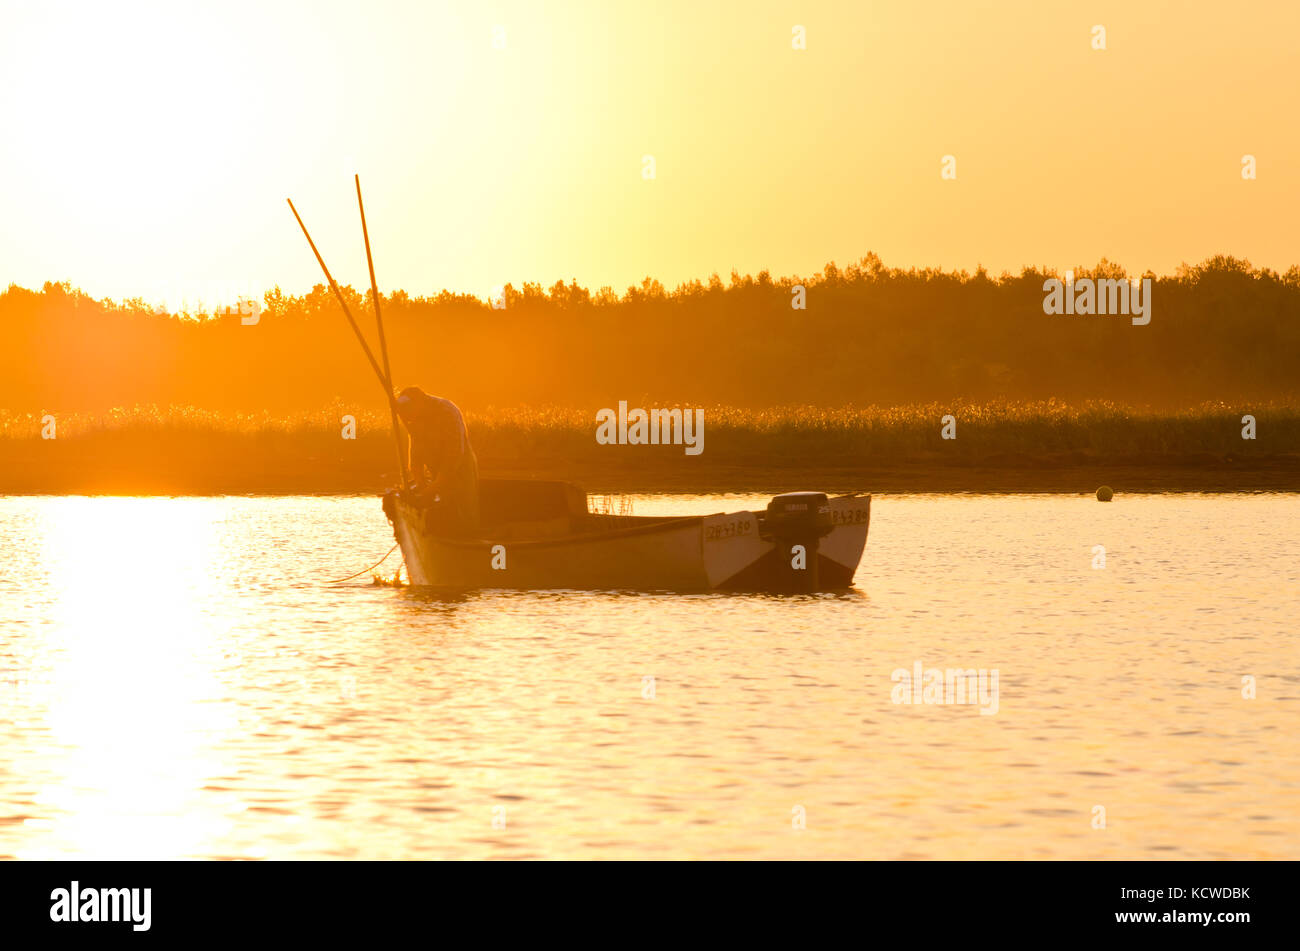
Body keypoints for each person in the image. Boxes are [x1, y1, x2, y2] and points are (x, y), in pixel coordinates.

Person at [394, 386, 479, 534]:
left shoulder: (447, 411)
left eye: (408, 409)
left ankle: (467, 534)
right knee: (440, 506)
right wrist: (421, 484)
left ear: (419, 402)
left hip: (460, 467)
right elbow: (415, 457)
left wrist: (432, 489)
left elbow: (453, 458)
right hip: (434, 465)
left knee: (464, 507)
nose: (406, 415)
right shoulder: (413, 418)